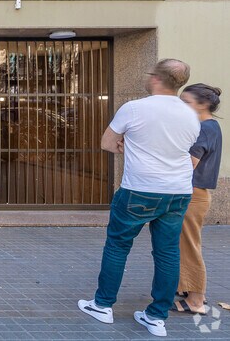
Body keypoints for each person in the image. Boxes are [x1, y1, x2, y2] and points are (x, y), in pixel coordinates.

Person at [79, 59, 201, 337]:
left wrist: (127, 144)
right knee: (168, 252)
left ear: (156, 78)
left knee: (118, 246)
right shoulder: (190, 115)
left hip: (140, 188)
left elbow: (107, 143)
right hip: (178, 191)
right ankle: (156, 317)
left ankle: (102, 305)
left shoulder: (134, 108)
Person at [174, 84, 223, 315]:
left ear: (202, 105)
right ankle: (187, 289)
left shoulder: (204, 128)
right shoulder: (211, 126)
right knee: (186, 244)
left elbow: (189, 164)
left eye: (186, 102)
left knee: (189, 246)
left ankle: (196, 299)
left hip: (193, 194)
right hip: (196, 194)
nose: (180, 106)